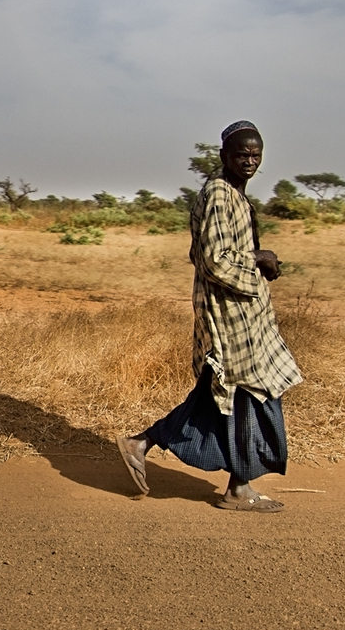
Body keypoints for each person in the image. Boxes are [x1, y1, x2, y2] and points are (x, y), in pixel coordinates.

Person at [116, 121, 302, 512]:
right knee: (249, 393)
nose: (249, 161)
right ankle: (238, 489)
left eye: (256, 155)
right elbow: (215, 259)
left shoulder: (234, 195)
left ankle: (143, 443)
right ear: (223, 157)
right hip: (229, 312)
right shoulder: (219, 194)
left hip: (243, 312)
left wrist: (259, 259)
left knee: (224, 394)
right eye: (241, 155)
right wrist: (258, 258)